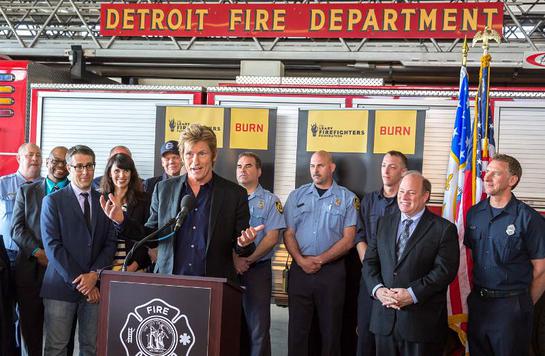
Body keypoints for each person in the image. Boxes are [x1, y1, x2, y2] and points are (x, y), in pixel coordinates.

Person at [101, 124, 258, 282]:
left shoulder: (234, 194)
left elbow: (243, 246)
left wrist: (244, 244)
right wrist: (122, 221)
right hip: (169, 284)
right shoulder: (163, 189)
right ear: (182, 156)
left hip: (214, 285)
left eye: (202, 153)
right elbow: (151, 235)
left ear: (213, 155)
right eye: (189, 154)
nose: (195, 161)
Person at [362, 171, 459, 356]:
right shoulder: (384, 222)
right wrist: (378, 290)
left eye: (411, 193)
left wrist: (412, 294)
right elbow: (370, 262)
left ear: (425, 196)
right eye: (401, 192)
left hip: (421, 325)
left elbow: (444, 272)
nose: (404, 197)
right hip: (384, 320)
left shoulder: (444, 229)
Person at [465, 154, 545, 356]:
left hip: (511, 306)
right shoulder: (474, 213)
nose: (487, 176)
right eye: (488, 171)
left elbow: (541, 271)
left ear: (512, 180)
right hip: (479, 304)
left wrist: (524, 304)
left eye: (496, 173)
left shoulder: (529, 219)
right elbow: (473, 256)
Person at [40, 145, 117, 356]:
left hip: (96, 287)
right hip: (61, 287)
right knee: (57, 348)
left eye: (90, 166)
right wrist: (83, 282)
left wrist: (94, 275)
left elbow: (110, 243)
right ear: (69, 168)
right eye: (79, 166)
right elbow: (52, 246)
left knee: (90, 349)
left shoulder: (105, 200)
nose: (85, 172)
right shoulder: (52, 201)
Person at [283, 150, 358, 356]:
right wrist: (300, 260)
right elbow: (288, 233)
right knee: (297, 331)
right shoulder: (296, 196)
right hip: (300, 271)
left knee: (331, 330)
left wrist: (320, 260)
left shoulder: (347, 198)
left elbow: (349, 239)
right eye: (312, 166)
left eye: (320, 165)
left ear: (331, 167)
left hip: (331, 273)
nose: (315, 170)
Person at [11, 146, 69, 356]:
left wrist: (55, 258)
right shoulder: (26, 191)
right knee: (30, 334)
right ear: (47, 162)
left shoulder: (75, 194)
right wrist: (38, 252)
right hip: (29, 272)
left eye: (65, 162)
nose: (60, 166)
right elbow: (17, 229)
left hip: (62, 274)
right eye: (55, 160)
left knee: (62, 338)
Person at [356, 150, 407, 356]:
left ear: (403, 173)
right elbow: (359, 237)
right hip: (370, 280)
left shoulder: (407, 204)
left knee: (392, 341)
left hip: (398, 283)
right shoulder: (368, 201)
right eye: (384, 165)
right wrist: (371, 269)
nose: (386, 170)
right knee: (365, 337)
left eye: (392, 166)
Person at [234, 152, 285, 356]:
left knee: (258, 328)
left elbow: (272, 238)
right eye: (239, 166)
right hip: (230, 268)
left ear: (259, 171)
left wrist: (247, 260)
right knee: (230, 324)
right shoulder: (227, 197)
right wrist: (235, 259)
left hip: (257, 271)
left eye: (248, 166)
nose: (242, 170)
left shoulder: (271, 201)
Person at [99, 153, 151, 272]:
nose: (122, 175)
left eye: (126, 170)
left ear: (131, 173)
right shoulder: (101, 199)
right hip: (104, 267)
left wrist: (134, 266)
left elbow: (147, 235)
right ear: (109, 173)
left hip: (134, 267)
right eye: (117, 171)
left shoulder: (144, 200)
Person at [1, 143, 43, 268]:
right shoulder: (2, 184)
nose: (35, 158)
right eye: (30, 155)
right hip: (7, 254)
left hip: (38, 255)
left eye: (38, 155)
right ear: (19, 158)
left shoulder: (48, 187)